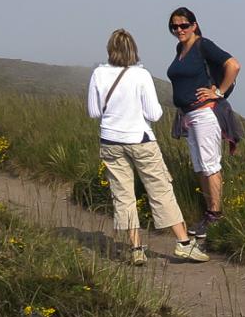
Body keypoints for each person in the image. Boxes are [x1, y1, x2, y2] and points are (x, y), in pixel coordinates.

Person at [87, 29, 207, 265]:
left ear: (110, 50)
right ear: (133, 50)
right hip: (140, 139)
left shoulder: (98, 74)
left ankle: (136, 248)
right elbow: (155, 113)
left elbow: (93, 112)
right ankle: (183, 244)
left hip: (110, 141)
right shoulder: (141, 76)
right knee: (160, 189)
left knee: (123, 195)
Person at [165, 7, 241, 239]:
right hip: (190, 115)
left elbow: (233, 65)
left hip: (205, 114)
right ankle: (208, 214)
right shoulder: (181, 48)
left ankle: (215, 215)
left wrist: (218, 91)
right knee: (200, 166)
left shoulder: (202, 45)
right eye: (174, 27)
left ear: (194, 25)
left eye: (184, 25)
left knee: (209, 165)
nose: (179, 30)